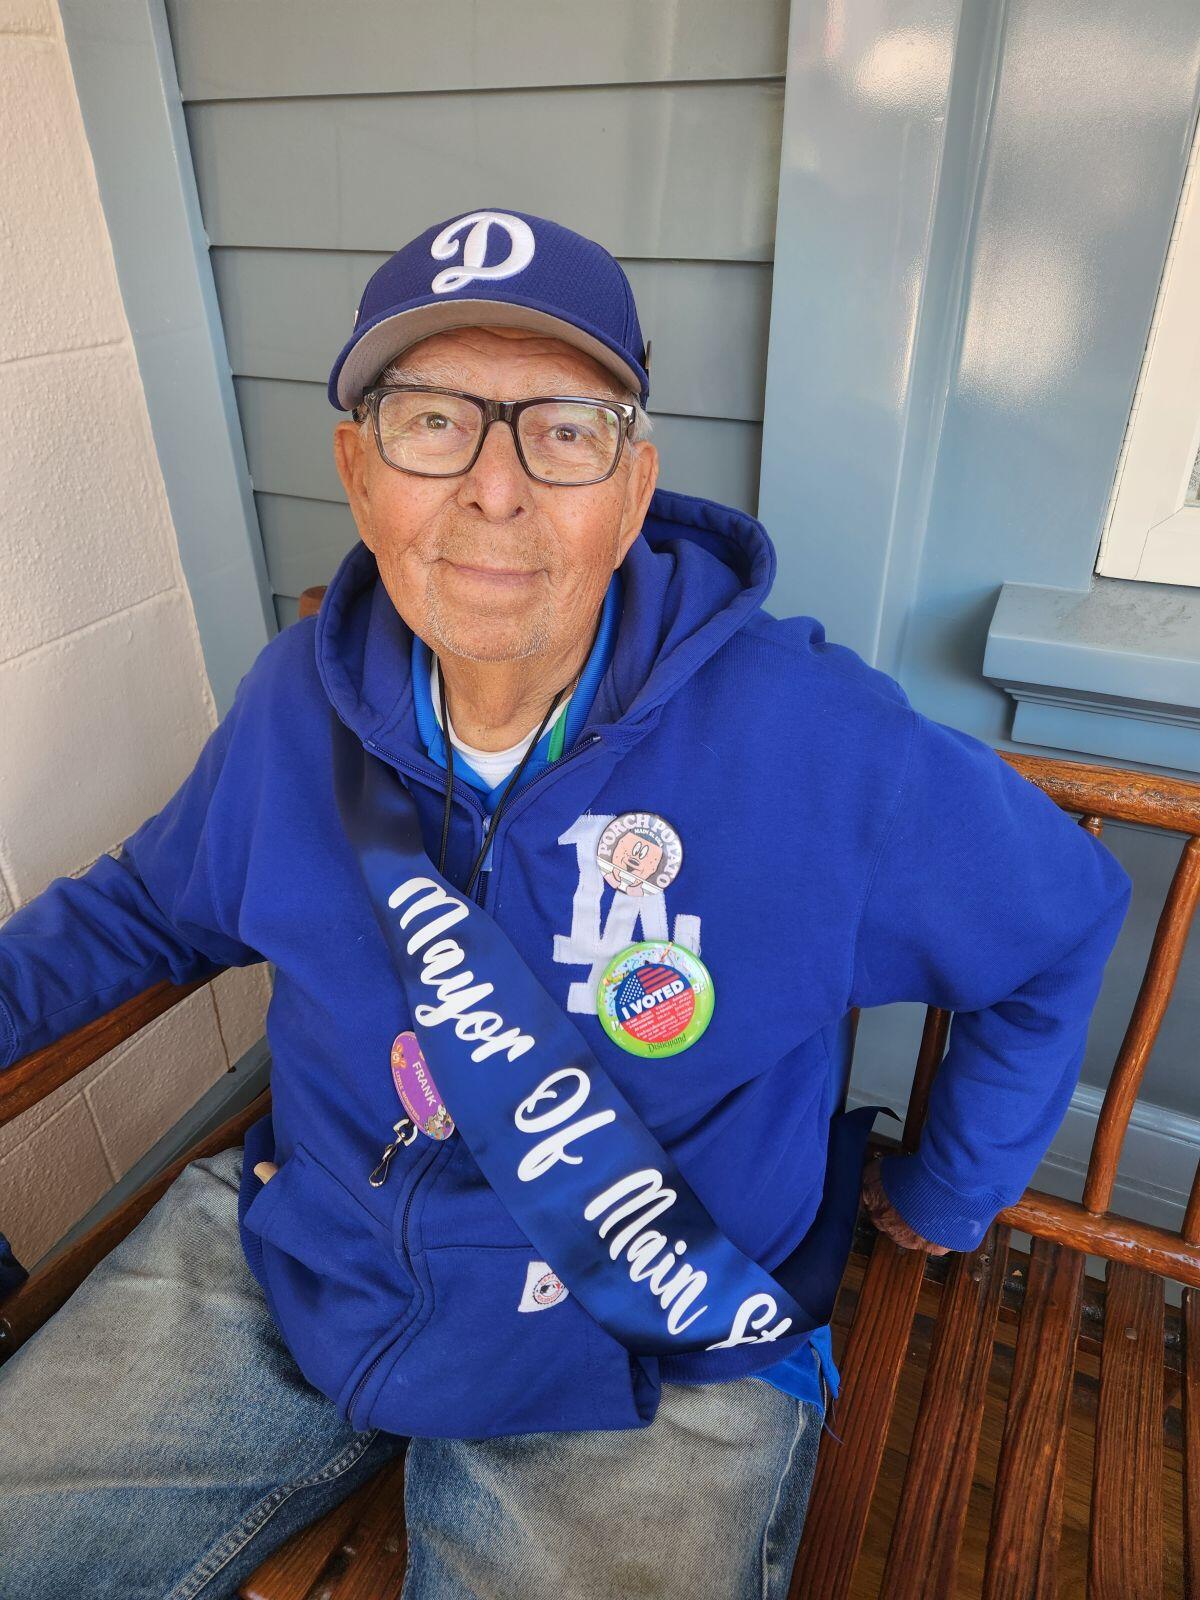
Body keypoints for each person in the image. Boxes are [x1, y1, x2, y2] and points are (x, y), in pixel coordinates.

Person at [0, 208, 1132, 1599]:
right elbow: (148, 912)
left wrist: (952, 1193)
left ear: (634, 483)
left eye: (563, 429)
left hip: (650, 1331)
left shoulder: (814, 738)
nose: (494, 490)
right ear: (360, 475)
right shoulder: (302, 695)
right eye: (432, 421)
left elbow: (1061, 916)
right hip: (302, 1260)